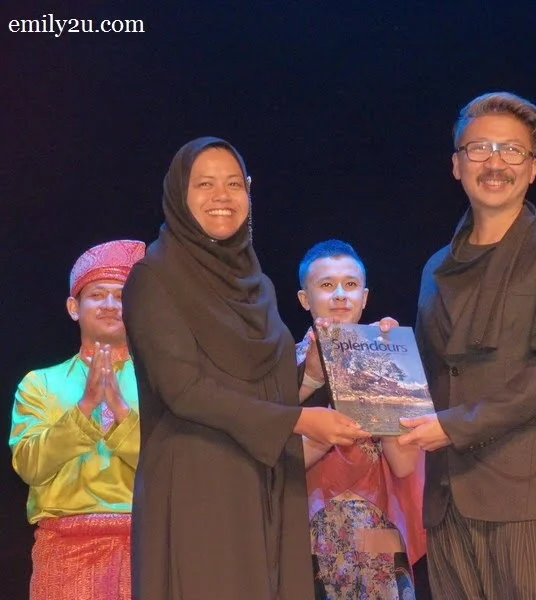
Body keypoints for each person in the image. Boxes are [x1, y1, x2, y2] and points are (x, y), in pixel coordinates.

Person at [122, 137, 369, 600]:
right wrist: (297, 420)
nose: (222, 196)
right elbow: (184, 390)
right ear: (179, 194)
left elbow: (257, 387)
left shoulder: (257, 286)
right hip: (198, 484)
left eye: (234, 183)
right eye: (205, 184)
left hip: (264, 479)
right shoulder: (153, 278)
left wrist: (311, 376)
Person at [398, 91, 536, 599]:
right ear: (456, 165)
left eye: (512, 151)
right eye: (479, 149)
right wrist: (383, 357)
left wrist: (454, 426)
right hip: (447, 501)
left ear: (532, 169)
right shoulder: (435, 267)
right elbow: (426, 375)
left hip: (526, 499)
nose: (495, 163)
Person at [10, 239, 145, 600]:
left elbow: (172, 466)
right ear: (74, 307)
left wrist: (120, 411)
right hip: (64, 547)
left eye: (121, 296)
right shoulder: (40, 383)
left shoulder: (160, 383)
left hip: (148, 544)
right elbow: (29, 466)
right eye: (98, 295)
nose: (110, 305)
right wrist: (85, 408)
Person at [295, 239, 426, 600]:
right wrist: (312, 381)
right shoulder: (280, 366)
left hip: (376, 539)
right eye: (326, 285)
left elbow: (403, 464)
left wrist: (379, 378)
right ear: (305, 299)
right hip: (304, 536)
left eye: (350, 285)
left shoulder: (388, 358)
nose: (340, 295)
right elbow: (273, 457)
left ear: (365, 297)